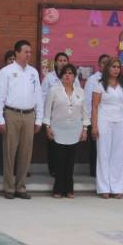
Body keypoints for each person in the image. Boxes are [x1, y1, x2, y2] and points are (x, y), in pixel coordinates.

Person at [0, 40, 44, 199]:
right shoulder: (6, 71)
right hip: (11, 114)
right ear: (16, 53)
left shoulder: (33, 72)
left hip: (29, 115)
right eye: (25, 51)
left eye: (30, 51)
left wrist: (39, 119)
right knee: (9, 151)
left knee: (26, 152)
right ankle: (9, 187)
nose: (28, 54)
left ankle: (21, 186)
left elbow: (38, 96)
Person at [42, 63, 88, 198]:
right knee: (59, 160)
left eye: (70, 73)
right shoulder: (54, 90)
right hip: (57, 129)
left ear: (74, 76)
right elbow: (47, 110)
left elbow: (85, 112)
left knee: (70, 161)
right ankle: (58, 189)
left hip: (75, 129)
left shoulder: (80, 91)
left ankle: (69, 189)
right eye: (65, 73)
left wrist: (85, 129)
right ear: (61, 76)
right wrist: (47, 127)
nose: (67, 75)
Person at [91, 57, 123, 198]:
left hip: (121, 121)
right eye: (113, 67)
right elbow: (95, 106)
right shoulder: (99, 84)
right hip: (104, 120)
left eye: (118, 67)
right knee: (103, 153)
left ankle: (117, 187)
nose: (116, 69)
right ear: (107, 68)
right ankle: (104, 188)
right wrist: (94, 126)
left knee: (118, 154)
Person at [41, 51, 70, 177]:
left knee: (67, 143)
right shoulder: (49, 78)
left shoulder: (72, 77)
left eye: (65, 60)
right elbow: (42, 96)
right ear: (55, 63)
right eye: (60, 60)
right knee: (54, 143)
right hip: (53, 116)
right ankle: (53, 169)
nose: (62, 62)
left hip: (69, 117)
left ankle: (65, 169)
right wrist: (44, 117)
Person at [82, 53, 112, 177]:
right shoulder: (93, 79)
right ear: (99, 65)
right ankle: (95, 171)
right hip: (95, 118)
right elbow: (88, 100)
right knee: (96, 147)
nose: (105, 65)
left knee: (108, 146)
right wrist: (90, 119)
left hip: (110, 118)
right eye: (103, 62)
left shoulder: (113, 79)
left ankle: (107, 171)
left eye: (108, 63)